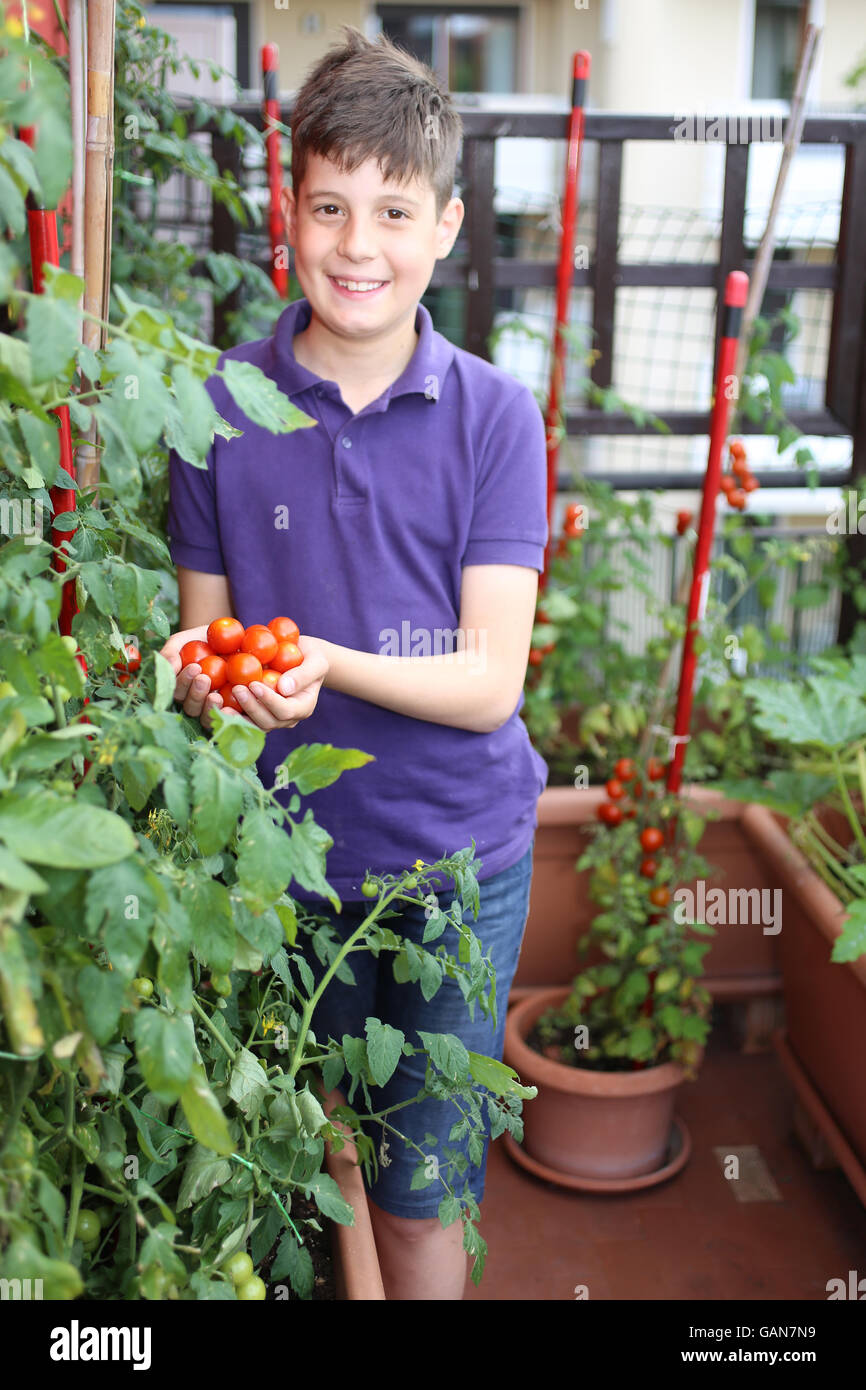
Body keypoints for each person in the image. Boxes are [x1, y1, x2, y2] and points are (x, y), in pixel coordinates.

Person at [160, 24, 548, 1300]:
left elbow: (490, 679)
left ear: (442, 227)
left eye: (392, 211)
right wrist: (209, 675)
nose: (356, 244)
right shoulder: (216, 409)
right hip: (290, 862)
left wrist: (319, 658)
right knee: (317, 1150)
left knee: (422, 1195)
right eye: (328, 206)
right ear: (290, 209)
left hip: (452, 865)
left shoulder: (495, 417)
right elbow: (213, 645)